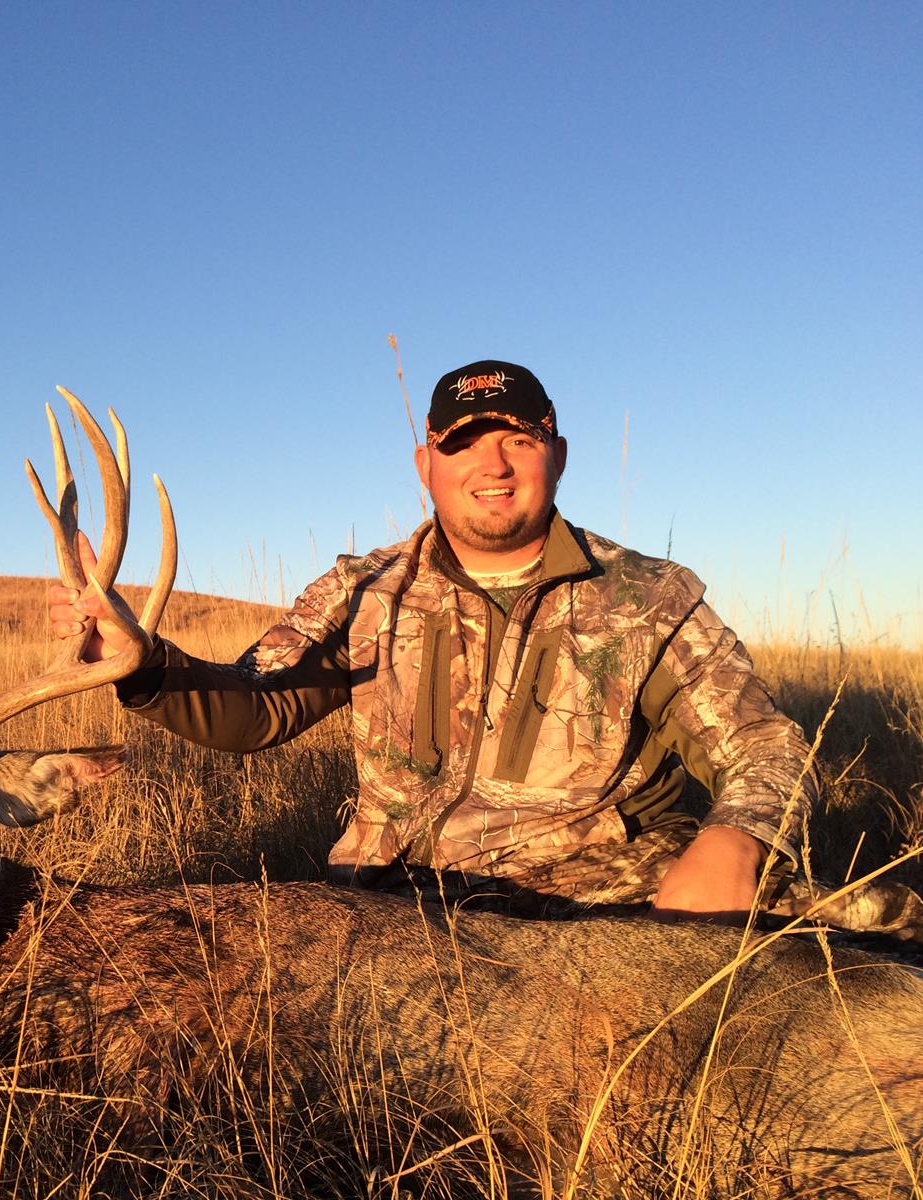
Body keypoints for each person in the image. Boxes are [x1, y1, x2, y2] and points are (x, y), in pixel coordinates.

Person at [49, 359, 815, 921]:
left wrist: (737, 840)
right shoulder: (363, 591)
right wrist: (144, 664)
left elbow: (764, 743)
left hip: (587, 915)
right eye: (463, 442)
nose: (492, 463)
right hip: (389, 914)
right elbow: (254, 706)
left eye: (517, 437)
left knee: (870, 935)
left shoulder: (649, 600)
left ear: (558, 453)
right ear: (426, 465)